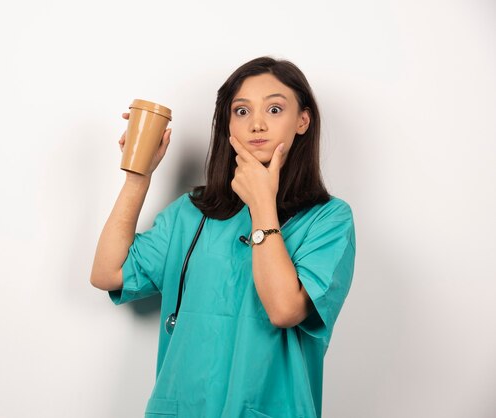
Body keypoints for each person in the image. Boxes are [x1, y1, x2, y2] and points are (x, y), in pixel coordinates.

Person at [90, 56, 356, 418]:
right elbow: (108, 273)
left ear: (303, 121)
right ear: (227, 124)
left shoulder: (329, 219)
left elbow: (284, 309)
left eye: (275, 109)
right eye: (241, 111)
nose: (257, 123)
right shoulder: (192, 212)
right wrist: (139, 178)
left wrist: (262, 205)